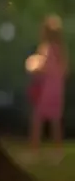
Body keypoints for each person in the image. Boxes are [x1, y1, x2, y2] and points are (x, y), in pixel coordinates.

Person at [27, 14, 69, 157]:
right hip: (57, 88)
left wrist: (34, 66)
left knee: (38, 118)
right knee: (55, 119)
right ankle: (58, 150)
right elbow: (64, 70)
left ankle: (35, 149)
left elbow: (44, 67)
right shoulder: (61, 50)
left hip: (47, 88)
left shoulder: (47, 48)